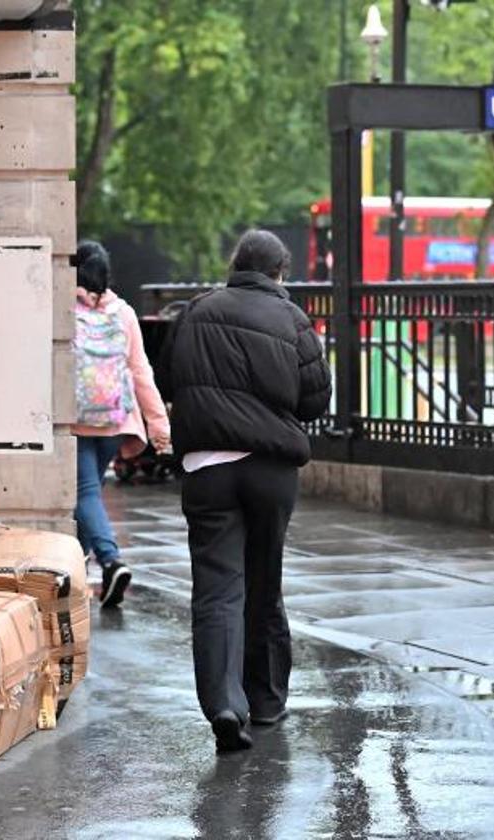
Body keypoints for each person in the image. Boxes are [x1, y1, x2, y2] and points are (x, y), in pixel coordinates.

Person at [160, 230, 331, 753]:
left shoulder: (195, 312)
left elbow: (169, 378)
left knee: (217, 589)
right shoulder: (293, 320)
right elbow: (314, 401)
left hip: (207, 466)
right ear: (280, 272)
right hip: (270, 470)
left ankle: (224, 706)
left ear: (235, 265)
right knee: (264, 579)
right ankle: (268, 699)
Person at [71, 240, 171, 609]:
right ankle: (76, 571)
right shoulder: (123, 313)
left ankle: (111, 561)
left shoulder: (60, 309)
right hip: (117, 420)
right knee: (89, 493)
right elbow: (141, 372)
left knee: (84, 494)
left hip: (77, 419)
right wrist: (159, 426)